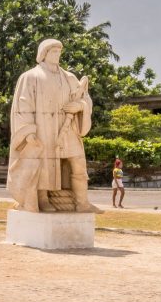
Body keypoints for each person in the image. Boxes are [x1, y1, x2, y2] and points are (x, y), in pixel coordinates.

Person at [7, 38, 98, 213]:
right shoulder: (30, 77)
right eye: (53, 51)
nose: (57, 55)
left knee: (78, 160)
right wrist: (28, 131)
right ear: (44, 54)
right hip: (44, 127)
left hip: (68, 126)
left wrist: (80, 106)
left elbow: (84, 98)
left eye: (59, 52)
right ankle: (42, 199)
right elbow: (23, 106)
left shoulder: (69, 77)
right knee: (43, 165)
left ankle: (82, 202)